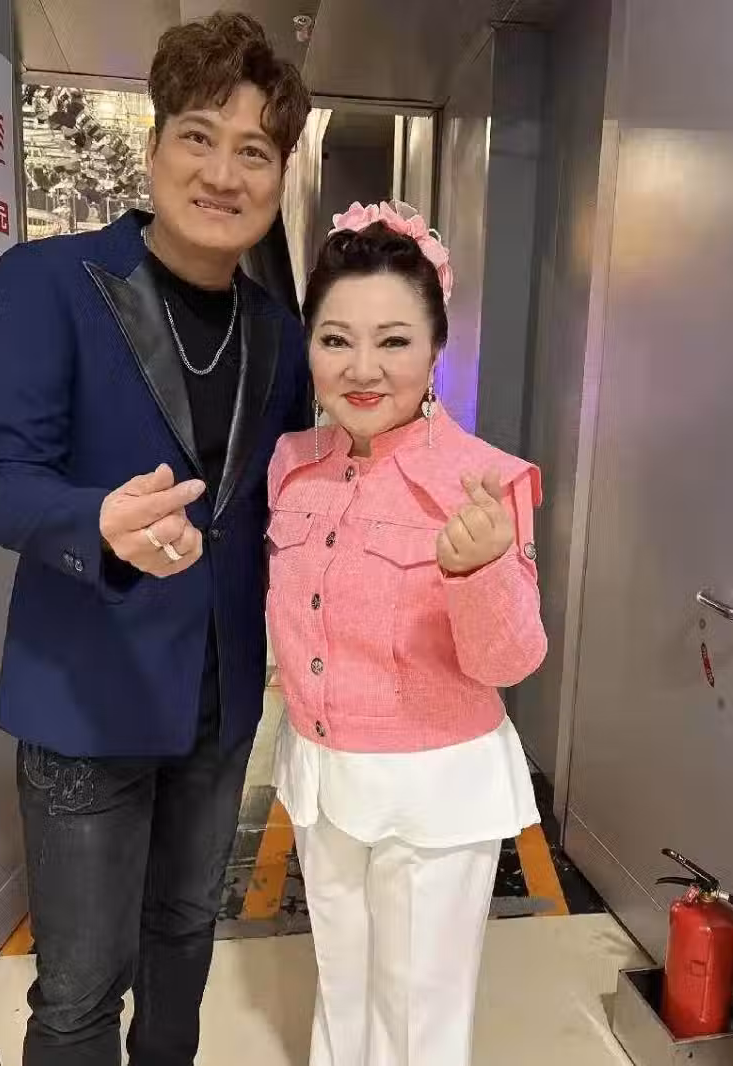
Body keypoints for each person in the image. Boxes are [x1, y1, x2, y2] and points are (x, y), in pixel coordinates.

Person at [0, 14, 310, 1066]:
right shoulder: (46, 283)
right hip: (86, 693)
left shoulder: (280, 334)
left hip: (219, 704)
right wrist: (95, 524)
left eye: (254, 151)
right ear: (154, 148)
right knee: (78, 990)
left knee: (183, 942)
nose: (223, 173)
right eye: (199, 137)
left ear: (279, 176)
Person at [266, 200, 548, 1066]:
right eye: (335, 339)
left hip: (434, 789)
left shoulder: (485, 480)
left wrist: (481, 572)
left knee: (418, 1014)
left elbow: (512, 660)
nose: (362, 369)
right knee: (341, 985)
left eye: (393, 341)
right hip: (322, 776)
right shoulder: (291, 465)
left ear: (434, 350)